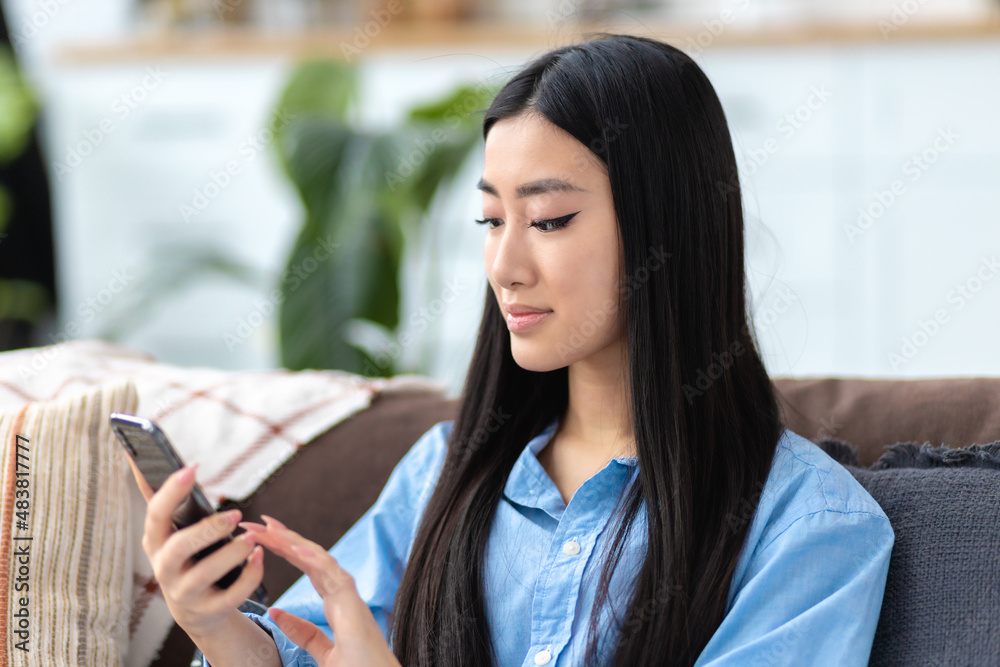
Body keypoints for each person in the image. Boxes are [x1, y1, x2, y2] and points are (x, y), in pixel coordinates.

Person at [135, 32, 894, 667]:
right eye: (492, 221)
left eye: (550, 220)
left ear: (666, 226)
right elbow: (304, 651)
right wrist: (216, 624)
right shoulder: (444, 473)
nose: (504, 266)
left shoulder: (810, 526)